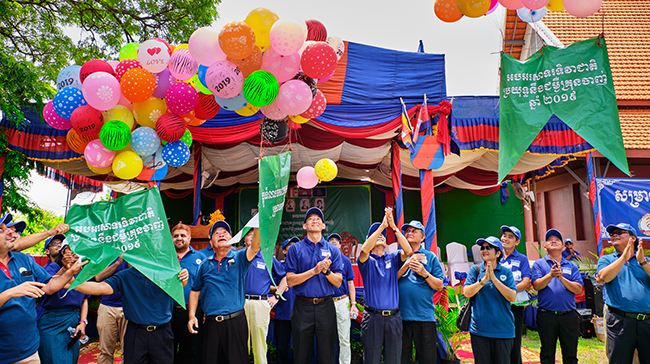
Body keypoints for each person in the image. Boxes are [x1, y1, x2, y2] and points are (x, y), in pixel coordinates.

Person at [0, 219, 87, 364]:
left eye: (13, 230)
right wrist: (10, 293)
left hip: (29, 351)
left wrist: (70, 271)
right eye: (2, 229)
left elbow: (49, 286)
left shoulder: (25, 260)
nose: (11, 232)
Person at [74, 259, 189, 364]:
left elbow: (181, 285)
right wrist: (74, 284)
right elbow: (102, 287)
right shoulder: (125, 276)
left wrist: (184, 277)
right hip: (136, 332)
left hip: (162, 332)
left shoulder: (166, 273)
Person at [188, 221, 261, 364]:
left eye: (225, 232)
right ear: (211, 242)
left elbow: (255, 247)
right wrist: (191, 316)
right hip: (211, 324)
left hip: (235, 322)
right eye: (216, 233)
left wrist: (256, 224)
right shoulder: (204, 264)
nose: (221, 234)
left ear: (232, 238)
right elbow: (195, 291)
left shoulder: (239, 258)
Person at [285, 207, 343, 364]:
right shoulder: (296, 249)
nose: (315, 220)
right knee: (301, 355)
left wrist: (326, 272)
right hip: (302, 307)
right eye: (310, 218)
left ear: (324, 226)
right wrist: (314, 270)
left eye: (318, 219)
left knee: (327, 355)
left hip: (326, 306)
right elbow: (290, 281)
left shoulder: (333, 250)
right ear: (304, 226)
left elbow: (338, 282)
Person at [358, 208, 412, 364]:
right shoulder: (367, 261)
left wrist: (393, 227)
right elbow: (363, 250)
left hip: (394, 318)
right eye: (375, 234)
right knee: (371, 360)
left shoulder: (393, 257)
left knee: (394, 360)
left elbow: (408, 250)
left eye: (382, 234)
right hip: (373, 318)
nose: (380, 235)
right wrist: (382, 226)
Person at [596, 223, 650, 363]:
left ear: (632, 238)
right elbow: (603, 278)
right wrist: (623, 258)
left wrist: (642, 262)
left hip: (647, 321)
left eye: (620, 232)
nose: (614, 234)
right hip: (620, 321)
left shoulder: (646, 261)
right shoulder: (607, 259)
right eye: (612, 233)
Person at [462, 236, 517, 364]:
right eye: (482, 248)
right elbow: (467, 292)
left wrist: (494, 279)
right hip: (480, 329)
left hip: (503, 330)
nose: (484, 250)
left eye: (489, 247)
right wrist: (484, 280)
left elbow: (512, 296)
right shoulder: (475, 270)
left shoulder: (506, 272)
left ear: (498, 253)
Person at [532, 228, 583, 364]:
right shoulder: (539, 264)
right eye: (550, 240)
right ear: (545, 245)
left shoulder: (571, 266)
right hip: (546, 316)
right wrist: (550, 275)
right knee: (547, 353)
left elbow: (578, 289)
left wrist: (561, 278)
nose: (553, 241)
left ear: (563, 245)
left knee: (570, 353)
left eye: (557, 240)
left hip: (569, 316)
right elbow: (536, 285)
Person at [397, 220, 444, 364]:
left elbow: (439, 286)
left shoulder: (430, 257)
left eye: (414, 231)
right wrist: (406, 264)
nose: (409, 233)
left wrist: (425, 273)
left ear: (422, 237)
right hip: (400, 317)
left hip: (424, 316)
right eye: (407, 231)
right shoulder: (396, 256)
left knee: (427, 359)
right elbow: (389, 281)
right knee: (400, 359)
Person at [38, 242, 90, 364]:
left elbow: (85, 299)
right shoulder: (50, 269)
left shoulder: (82, 271)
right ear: (63, 252)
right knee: (54, 359)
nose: (75, 252)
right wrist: (66, 269)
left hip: (74, 319)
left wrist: (83, 322)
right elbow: (49, 287)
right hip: (53, 320)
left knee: (71, 359)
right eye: (71, 248)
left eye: (79, 249)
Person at [243, 228, 283, 364]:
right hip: (239, 303)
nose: (253, 238)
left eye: (256, 236)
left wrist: (276, 296)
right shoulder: (238, 257)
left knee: (259, 344)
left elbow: (286, 277)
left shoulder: (267, 258)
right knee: (241, 343)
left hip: (260, 303)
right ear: (244, 239)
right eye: (250, 235)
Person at [171, 223, 205, 364]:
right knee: (168, 350)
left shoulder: (201, 257)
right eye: (176, 236)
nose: (179, 238)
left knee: (192, 350)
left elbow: (206, 285)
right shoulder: (165, 258)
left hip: (192, 311)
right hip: (168, 311)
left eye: (183, 236)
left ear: (190, 239)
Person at [499, 225, 531, 364]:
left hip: (515, 306)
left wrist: (509, 291)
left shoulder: (522, 259)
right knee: (497, 339)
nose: (505, 238)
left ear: (517, 242)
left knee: (514, 339)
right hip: (497, 305)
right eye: (504, 235)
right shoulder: (495, 256)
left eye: (510, 237)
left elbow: (526, 282)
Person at [327, 232, 358, 364]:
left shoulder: (345, 260)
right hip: (326, 302)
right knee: (326, 338)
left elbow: (351, 283)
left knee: (344, 337)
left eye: (337, 240)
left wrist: (354, 304)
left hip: (342, 301)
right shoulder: (323, 261)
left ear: (340, 245)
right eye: (331, 240)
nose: (334, 242)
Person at [94, 255, 129, 364]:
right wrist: (118, 262)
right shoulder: (107, 253)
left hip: (130, 305)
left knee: (129, 350)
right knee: (105, 350)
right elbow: (98, 277)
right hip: (107, 305)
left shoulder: (136, 251)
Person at [273, 237, 300, 364]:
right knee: (281, 349)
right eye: (290, 247)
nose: (294, 249)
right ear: (284, 251)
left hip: (301, 315)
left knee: (301, 349)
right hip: (282, 314)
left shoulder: (304, 268)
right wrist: (279, 288)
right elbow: (267, 285)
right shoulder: (278, 266)